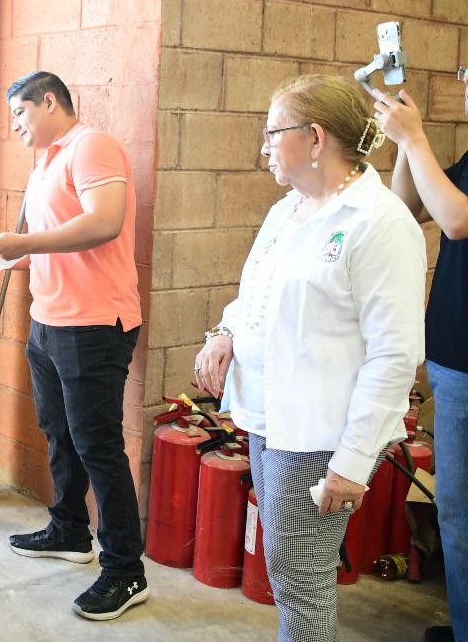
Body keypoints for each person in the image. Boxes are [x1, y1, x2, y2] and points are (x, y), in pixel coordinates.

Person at [195, 74, 425, 642]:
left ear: (316, 138)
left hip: (321, 434)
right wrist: (225, 332)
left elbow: (395, 354)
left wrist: (352, 461)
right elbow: (256, 294)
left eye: (274, 133)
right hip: (269, 418)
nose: (264, 146)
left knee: (301, 578)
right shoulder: (288, 210)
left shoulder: (379, 223)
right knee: (289, 569)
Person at [0, 70, 147, 621]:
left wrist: (22, 241)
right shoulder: (46, 163)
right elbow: (57, 247)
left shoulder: (92, 147)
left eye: (20, 113)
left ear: (48, 101)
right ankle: (70, 530)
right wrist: (2, 258)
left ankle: (125, 570)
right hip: (49, 321)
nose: (15, 126)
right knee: (59, 433)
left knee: (98, 446)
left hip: (94, 325)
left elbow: (105, 223)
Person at [374, 80, 467, 642]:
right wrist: (407, 143)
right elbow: (407, 206)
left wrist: (416, 139)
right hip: (455, 359)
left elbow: (457, 220)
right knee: (456, 511)